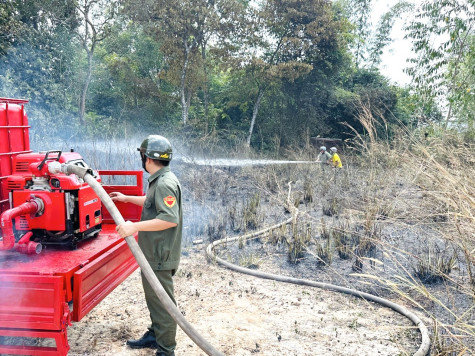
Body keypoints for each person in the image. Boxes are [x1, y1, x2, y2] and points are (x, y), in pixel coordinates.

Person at [110, 135, 182, 356]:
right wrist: (126, 198)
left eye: (142, 154)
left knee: (163, 304)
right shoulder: (160, 180)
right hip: (155, 253)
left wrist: (135, 227)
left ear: (147, 157)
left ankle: (166, 350)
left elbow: (170, 218)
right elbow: (153, 201)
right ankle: (154, 335)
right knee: (155, 298)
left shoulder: (165, 183)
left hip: (160, 255)